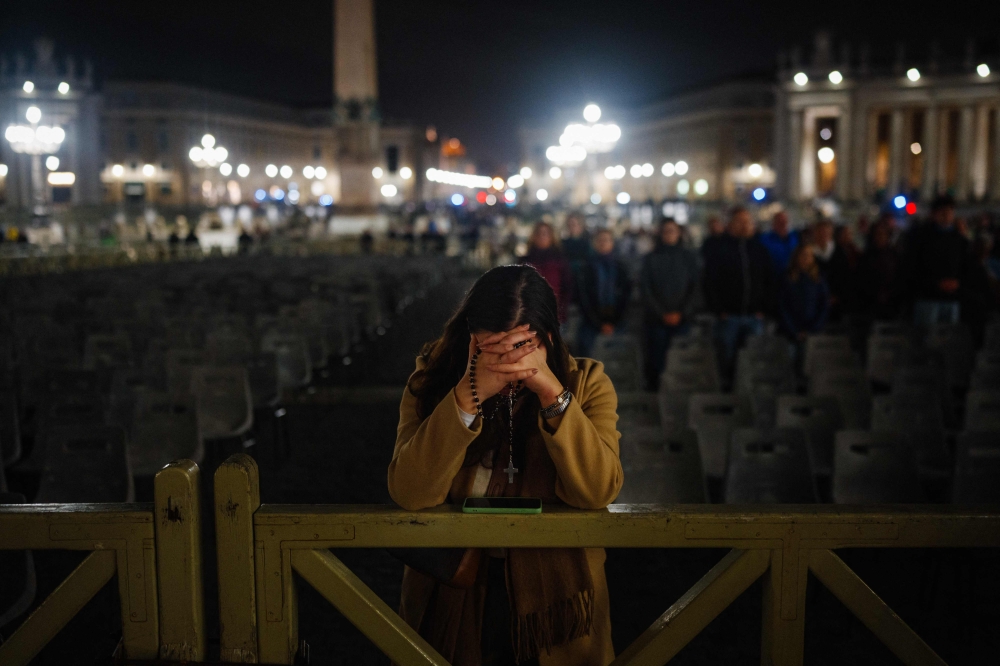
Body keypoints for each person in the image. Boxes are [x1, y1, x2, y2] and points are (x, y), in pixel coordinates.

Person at [389, 264, 622, 666]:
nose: (505, 365)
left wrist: (551, 391)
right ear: (469, 338)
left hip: (554, 599)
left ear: (547, 338)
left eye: (519, 348)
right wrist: (466, 396)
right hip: (453, 586)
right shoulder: (432, 379)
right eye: (490, 350)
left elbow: (598, 489)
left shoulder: (587, 383)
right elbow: (410, 491)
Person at [702, 206, 775, 378]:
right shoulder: (719, 250)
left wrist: (763, 309)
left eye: (748, 222)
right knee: (726, 360)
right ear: (731, 224)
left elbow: (769, 281)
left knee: (753, 361)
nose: (745, 225)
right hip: (729, 317)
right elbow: (709, 282)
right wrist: (719, 310)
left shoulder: (759, 250)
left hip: (753, 316)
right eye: (740, 221)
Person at [640, 218, 699, 390]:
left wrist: (682, 313)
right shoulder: (651, 259)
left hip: (683, 319)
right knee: (658, 362)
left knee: (682, 361)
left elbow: (694, 288)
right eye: (666, 231)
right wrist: (662, 314)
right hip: (657, 321)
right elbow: (646, 289)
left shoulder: (688, 258)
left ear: (679, 233)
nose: (669, 234)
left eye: (673, 231)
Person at [903, 194, 969, 326]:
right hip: (927, 297)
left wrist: (957, 283)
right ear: (934, 214)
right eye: (942, 212)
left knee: (949, 337)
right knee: (926, 337)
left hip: (951, 297)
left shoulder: (959, 239)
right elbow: (914, 266)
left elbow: (966, 265)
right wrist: (935, 283)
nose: (946, 216)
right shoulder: (921, 237)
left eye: (949, 212)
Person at [576, 229, 632, 357]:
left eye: (606, 240)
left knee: (621, 356)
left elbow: (625, 295)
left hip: (617, 318)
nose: (603, 243)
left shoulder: (621, 267)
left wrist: (615, 321)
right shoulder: (586, 267)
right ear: (594, 243)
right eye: (600, 240)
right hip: (592, 319)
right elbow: (584, 297)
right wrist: (599, 323)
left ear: (612, 243)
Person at [779, 244, 830, 353]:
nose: (806, 258)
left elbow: (824, 304)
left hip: (813, 331)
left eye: (809, 256)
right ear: (796, 257)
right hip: (791, 332)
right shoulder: (787, 278)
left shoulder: (818, 279)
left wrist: (813, 329)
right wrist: (794, 331)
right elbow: (782, 305)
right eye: (802, 255)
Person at [523, 222, 574, 323]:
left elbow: (567, 286)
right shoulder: (525, 260)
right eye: (539, 233)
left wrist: (561, 310)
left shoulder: (559, 260)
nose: (542, 237)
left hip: (554, 311)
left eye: (545, 233)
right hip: (531, 313)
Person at [857, 220, 902, 321]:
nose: (880, 237)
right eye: (877, 234)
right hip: (869, 302)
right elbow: (861, 278)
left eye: (883, 234)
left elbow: (899, 276)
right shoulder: (866, 257)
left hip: (892, 300)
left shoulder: (894, 255)